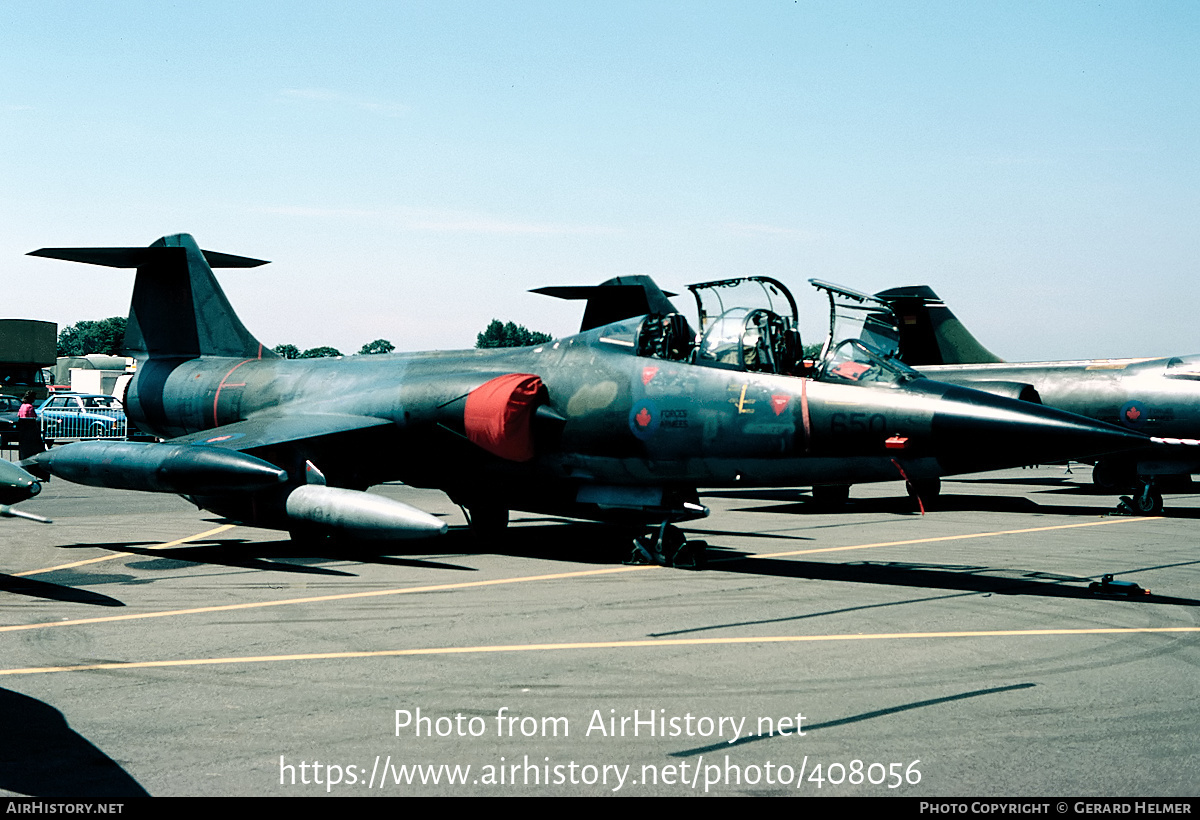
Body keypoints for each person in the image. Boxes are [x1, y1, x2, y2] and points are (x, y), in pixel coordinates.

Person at [16, 391, 45, 460]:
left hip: (22, 428)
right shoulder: (30, 407)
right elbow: (33, 416)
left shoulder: (22, 406)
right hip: (30, 427)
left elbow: (19, 415)